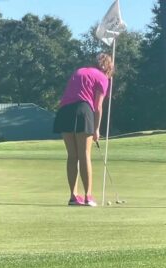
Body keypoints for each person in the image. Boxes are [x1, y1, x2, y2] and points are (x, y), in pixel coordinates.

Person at [53, 53, 114, 207]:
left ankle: (73, 196)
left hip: (64, 111)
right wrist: (97, 129)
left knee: (72, 155)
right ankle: (88, 196)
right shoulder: (102, 78)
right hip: (83, 110)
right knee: (84, 154)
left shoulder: (79, 71)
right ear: (108, 67)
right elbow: (98, 106)